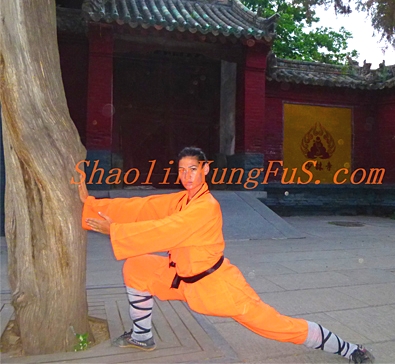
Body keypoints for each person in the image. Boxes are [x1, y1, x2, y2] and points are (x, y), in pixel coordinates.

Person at [79, 147, 375, 363]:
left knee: (276, 326)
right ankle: (142, 337)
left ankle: (351, 350)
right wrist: (92, 204)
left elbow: (165, 229)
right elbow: (146, 207)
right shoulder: (183, 198)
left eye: (192, 169)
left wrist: (113, 230)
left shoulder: (206, 207)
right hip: (180, 278)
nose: (186, 176)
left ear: (205, 169)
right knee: (138, 267)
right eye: (181, 170)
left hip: (217, 286)